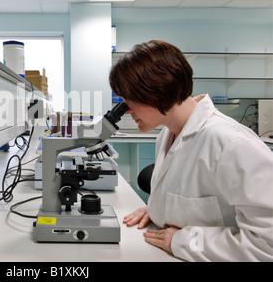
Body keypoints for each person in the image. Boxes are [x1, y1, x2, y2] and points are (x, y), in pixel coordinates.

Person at [109, 40, 273, 261]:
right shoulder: (166, 136)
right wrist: (160, 210)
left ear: (156, 91)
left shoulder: (231, 144)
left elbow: (267, 245)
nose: (127, 110)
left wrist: (183, 241)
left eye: (131, 100)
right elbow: (197, 202)